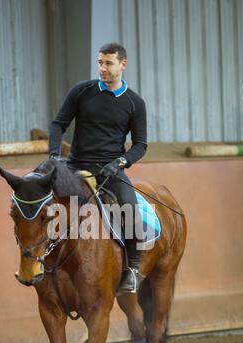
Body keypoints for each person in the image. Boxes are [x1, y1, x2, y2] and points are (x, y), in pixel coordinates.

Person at [48, 42, 147, 294]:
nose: (102, 68)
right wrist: (54, 156)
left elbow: (140, 145)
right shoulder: (82, 91)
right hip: (74, 166)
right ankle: (41, 262)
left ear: (122, 65)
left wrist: (120, 163)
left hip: (110, 170)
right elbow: (58, 124)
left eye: (108, 63)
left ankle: (133, 268)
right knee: (43, 198)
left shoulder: (135, 103)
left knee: (129, 207)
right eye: (100, 62)